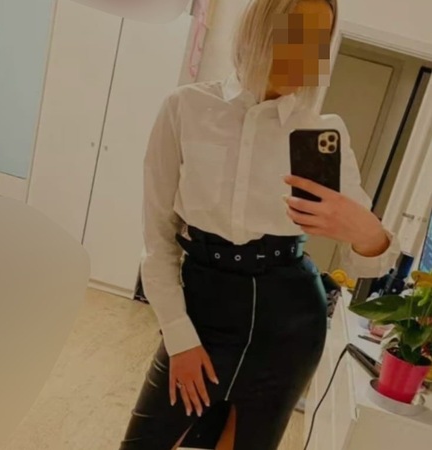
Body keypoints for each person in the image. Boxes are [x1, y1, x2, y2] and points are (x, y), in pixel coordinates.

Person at [119, 0, 400, 449]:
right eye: (293, 32)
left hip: (288, 325)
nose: (305, 53)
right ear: (258, 28)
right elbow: (158, 239)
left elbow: (369, 263)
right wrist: (179, 337)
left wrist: (366, 231)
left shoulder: (319, 132)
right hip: (202, 308)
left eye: (318, 41)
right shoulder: (188, 108)